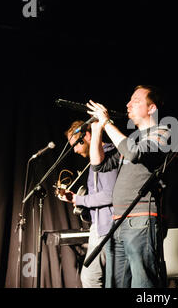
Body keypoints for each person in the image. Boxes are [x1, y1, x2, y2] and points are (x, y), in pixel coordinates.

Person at [86, 85, 171, 288]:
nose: (128, 104)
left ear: (151, 108)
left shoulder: (162, 132)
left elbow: (134, 153)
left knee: (143, 285)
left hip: (141, 220)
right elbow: (99, 164)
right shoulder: (131, 139)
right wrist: (98, 130)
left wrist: (107, 123)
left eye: (136, 100)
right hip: (117, 221)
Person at [58, 120, 118, 287]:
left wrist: (79, 199)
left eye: (77, 144)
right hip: (100, 227)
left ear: (88, 136)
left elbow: (109, 195)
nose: (75, 150)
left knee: (91, 278)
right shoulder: (95, 161)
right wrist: (78, 201)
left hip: (107, 228)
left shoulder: (106, 155)